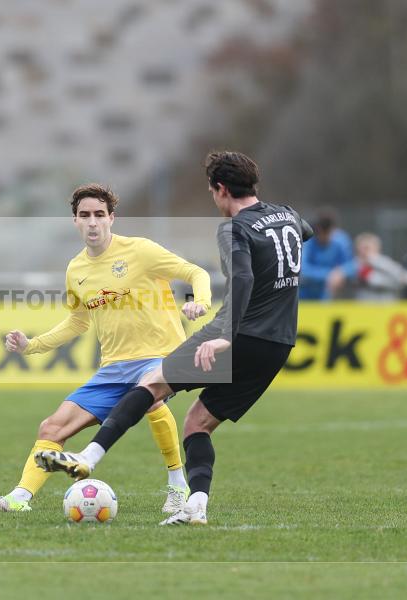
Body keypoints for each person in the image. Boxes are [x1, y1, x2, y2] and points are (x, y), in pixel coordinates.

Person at [37, 151, 313, 526]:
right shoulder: (287, 215)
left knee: (151, 384)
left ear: (220, 189)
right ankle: (195, 505)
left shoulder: (234, 228)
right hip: (279, 343)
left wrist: (226, 336)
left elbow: (244, 279)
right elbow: (302, 236)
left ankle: (88, 457)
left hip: (236, 334)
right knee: (197, 423)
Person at [0, 183, 212, 513]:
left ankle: (177, 487)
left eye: (99, 214)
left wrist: (200, 301)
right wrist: (32, 345)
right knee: (51, 427)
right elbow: (77, 321)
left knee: (149, 399)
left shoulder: (140, 250)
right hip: (114, 367)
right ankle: (19, 499)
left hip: (159, 357)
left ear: (112, 218)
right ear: (75, 221)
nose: (92, 222)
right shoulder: (77, 269)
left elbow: (194, 271)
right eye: (84, 215)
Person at [299, 209, 355, 300]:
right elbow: (302, 268)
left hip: (327, 294)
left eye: (329, 233)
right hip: (304, 293)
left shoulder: (341, 240)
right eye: (323, 234)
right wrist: (329, 275)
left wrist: (342, 272)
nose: (325, 237)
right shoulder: (308, 240)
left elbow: (351, 264)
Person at [352, 232, 403, 301]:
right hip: (364, 308)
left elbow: (400, 278)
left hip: (387, 307)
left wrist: (374, 261)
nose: (363, 252)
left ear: (377, 248)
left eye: (366, 248)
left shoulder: (386, 263)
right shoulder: (354, 265)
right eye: (360, 249)